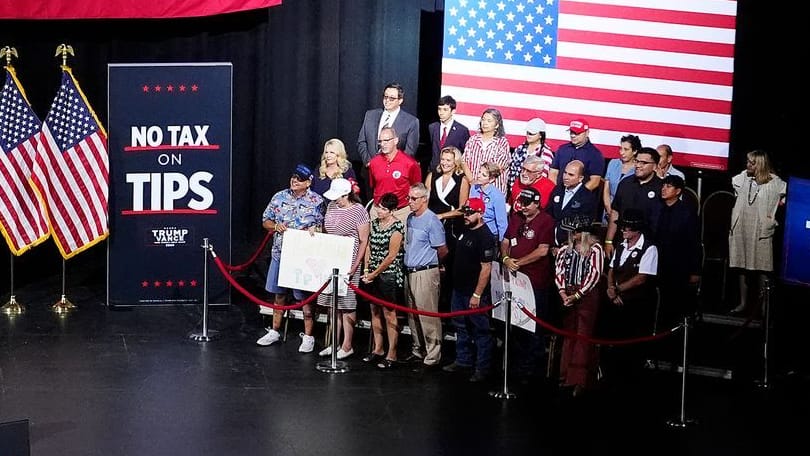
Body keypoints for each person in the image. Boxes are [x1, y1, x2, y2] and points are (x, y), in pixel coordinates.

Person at [257, 164, 324, 352]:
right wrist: (275, 226)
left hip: (304, 257)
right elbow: (265, 220)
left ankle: (309, 336)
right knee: (278, 294)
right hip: (280, 253)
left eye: (300, 179)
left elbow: (323, 228)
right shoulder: (279, 197)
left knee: (304, 298)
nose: (295, 181)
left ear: (309, 182)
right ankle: (275, 330)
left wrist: (316, 230)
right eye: (293, 177)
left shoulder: (317, 201)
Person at [500, 186, 555, 382]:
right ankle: (516, 364)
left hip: (535, 281)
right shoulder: (516, 217)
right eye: (522, 202)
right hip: (514, 281)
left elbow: (543, 250)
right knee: (516, 324)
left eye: (527, 203)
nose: (523, 206)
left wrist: (518, 262)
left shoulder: (546, 221)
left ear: (537, 203)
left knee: (534, 327)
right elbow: (506, 240)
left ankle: (532, 368)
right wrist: (505, 257)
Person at [442, 197, 497, 383]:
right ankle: (463, 359)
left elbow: (486, 268)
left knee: (480, 330)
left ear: (480, 213)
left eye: (470, 212)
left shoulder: (486, 237)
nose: (465, 216)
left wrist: (477, 294)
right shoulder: (466, 230)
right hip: (459, 289)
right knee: (460, 326)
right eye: (465, 212)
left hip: (474, 292)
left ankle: (482, 367)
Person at [603, 208, 659, 385]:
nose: (623, 230)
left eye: (626, 228)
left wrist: (618, 289)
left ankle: (631, 379)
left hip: (637, 304)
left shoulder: (649, 248)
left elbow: (641, 278)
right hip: (616, 302)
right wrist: (611, 288)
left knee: (632, 345)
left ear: (636, 229)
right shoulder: (620, 246)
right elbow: (612, 269)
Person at [316, 178, 370, 360]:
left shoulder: (359, 211)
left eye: (339, 197)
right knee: (332, 305)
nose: (336, 200)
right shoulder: (331, 206)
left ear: (347, 195)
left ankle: (347, 345)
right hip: (332, 262)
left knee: (346, 305)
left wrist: (355, 265)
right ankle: (333, 343)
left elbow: (363, 240)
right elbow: (327, 230)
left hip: (349, 263)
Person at [728, 150, 786, 315]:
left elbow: (784, 196)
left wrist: (771, 215)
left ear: (760, 164)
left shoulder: (775, 182)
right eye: (747, 162)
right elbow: (737, 192)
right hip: (742, 226)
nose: (748, 165)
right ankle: (743, 303)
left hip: (760, 229)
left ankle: (763, 306)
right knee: (741, 265)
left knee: (762, 267)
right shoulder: (743, 178)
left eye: (751, 163)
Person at [555, 216, 604, 397]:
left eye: (575, 232)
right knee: (568, 334)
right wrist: (563, 293)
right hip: (567, 293)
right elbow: (559, 271)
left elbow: (594, 274)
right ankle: (565, 374)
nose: (572, 235)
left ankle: (579, 379)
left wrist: (577, 295)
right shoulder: (564, 249)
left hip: (586, 295)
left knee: (583, 335)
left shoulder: (595, 249)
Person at [404, 183, 449, 369]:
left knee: (427, 316)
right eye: (409, 198)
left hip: (425, 271)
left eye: (414, 199)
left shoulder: (432, 221)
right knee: (413, 315)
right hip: (409, 271)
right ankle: (418, 350)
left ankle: (432, 356)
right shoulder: (410, 218)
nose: (410, 202)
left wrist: (432, 264)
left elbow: (443, 249)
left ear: (424, 199)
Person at [361, 192, 405, 369]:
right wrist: (366, 270)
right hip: (372, 272)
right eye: (379, 207)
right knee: (375, 311)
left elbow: (391, 256)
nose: (380, 211)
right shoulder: (374, 224)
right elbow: (369, 247)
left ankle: (392, 353)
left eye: (384, 209)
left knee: (389, 313)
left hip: (389, 274)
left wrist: (374, 274)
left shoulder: (397, 228)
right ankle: (377, 348)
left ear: (393, 210)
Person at [356, 82, 420, 199]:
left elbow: (409, 151)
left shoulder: (411, 121)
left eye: (392, 98)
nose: (387, 101)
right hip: (370, 172)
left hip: (395, 178)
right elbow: (362, 142)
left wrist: (393, 167)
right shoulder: (370, 115)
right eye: (385, 97)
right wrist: (369, 162)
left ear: (400, 100)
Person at [425, 145, 470, 311]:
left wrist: (442, 216)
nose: (445, 163)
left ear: (455, 161)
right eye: (443, 159)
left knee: (449, 269)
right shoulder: (432, 175)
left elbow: (462, 208)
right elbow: (425, 200)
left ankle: (448, 308)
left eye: (448, 160)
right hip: (432, 226)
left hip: (451, 228)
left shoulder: (462, 179)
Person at [653, 175, 701, 328]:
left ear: (678, 191)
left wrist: (695, 271)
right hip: (658, 263)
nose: (664, 189)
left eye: (668, 186)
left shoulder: (687, 213)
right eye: (663, 186)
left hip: (678, 266)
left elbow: (694, 243)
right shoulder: (658, 209)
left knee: (675, 304)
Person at [604, 147, 664, 257]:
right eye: (636, 161)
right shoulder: (625, 183)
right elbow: (615, 212)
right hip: (623, 242)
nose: (638, 165)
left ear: (655, 166)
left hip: (650, 247)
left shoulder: (661, 188)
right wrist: (608, 241)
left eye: (643, 163)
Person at [367, 126, 422, 223]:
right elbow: (373, 185)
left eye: (386, 140)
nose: (383, 144)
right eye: (380, 141)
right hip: (378, 211)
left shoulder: (410, 163)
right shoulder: (374, 162)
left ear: (396, 140)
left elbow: (417, 189)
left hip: (400, 212)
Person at [547, 160, 597, 248]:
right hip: (549, 242)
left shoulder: (588, 197)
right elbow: (548, 214)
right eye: (565, 173)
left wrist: (565, 245)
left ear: (581, 178)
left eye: (571, 175)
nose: (565, 177)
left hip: (570, 246)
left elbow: (584, 227)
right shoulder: (557, 190)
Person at [462, 107, 511, 194]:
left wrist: (483, 180)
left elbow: (499, 166)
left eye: (489, 121)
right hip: (474, 188)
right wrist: (472, 181)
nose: (485, 123)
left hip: (494, 189)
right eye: (483, 120)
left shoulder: (502, 142)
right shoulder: (473, 140)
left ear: (497, 125)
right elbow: (464, 162)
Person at [548, 118, 605, 192]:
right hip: (559, 193)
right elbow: (553, 173)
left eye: (577, 133)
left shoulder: (595, 154)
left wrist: (576, 196)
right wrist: (557, 191)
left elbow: (594, 181)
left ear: (587, 133)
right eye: (571, 132)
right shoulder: (562, 149)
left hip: (581, 198)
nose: (573, 135)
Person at [507, 117, 554, 192]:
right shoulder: (519, 149)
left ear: (540, 135)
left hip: (533, 192)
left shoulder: (546, 153)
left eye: (532, 133)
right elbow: (512, 171)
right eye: (527, 133)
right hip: (515, 189)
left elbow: (542, 177)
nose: (528, 135)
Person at [603, 134, 641, 224]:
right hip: (608, 212)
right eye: (621, 148)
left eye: (626, 149)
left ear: (635, 151)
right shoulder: (613, 163)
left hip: (627, 215)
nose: (621, 152)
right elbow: (606, 190)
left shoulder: (638, 168)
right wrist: (609, 210)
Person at [428, 95, 471, 171]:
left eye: (445, 110)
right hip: (434, 171)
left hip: (453, 172)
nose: (441, 113)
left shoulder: (461, 130)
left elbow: (465, 154)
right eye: (439, 109)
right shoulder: (432, 127)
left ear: (453, 111)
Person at [469, 161, 508, 242]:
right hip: (474, 231)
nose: (479, 176)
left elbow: (502, 222)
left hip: (490, 234)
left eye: (483, 175)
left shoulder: (497, 196)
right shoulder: (474, 188)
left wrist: (501, 242)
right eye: (479, 172)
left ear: (491, 179)